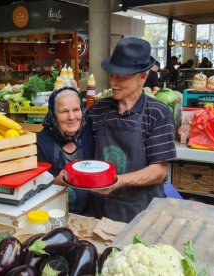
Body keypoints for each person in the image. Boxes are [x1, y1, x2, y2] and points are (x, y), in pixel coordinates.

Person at [87, 37, 177, 223]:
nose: (113, 82)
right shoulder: (98, 110)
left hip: (141, 210)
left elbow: (159, 171)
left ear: (143, 76)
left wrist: (118, 181)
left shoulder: (157, 113)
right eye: (111, 75)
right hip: (99, 208)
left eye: (121, 77)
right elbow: (85, 153)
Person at [37, 87, 94, 215]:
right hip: (55, 214)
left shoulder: (89, 134)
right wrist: (57, 180)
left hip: (91, 214)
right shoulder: (41, 142)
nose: (72, 117)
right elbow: (38, 187)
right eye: (64, 111)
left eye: (76, 110)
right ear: (53, 114)